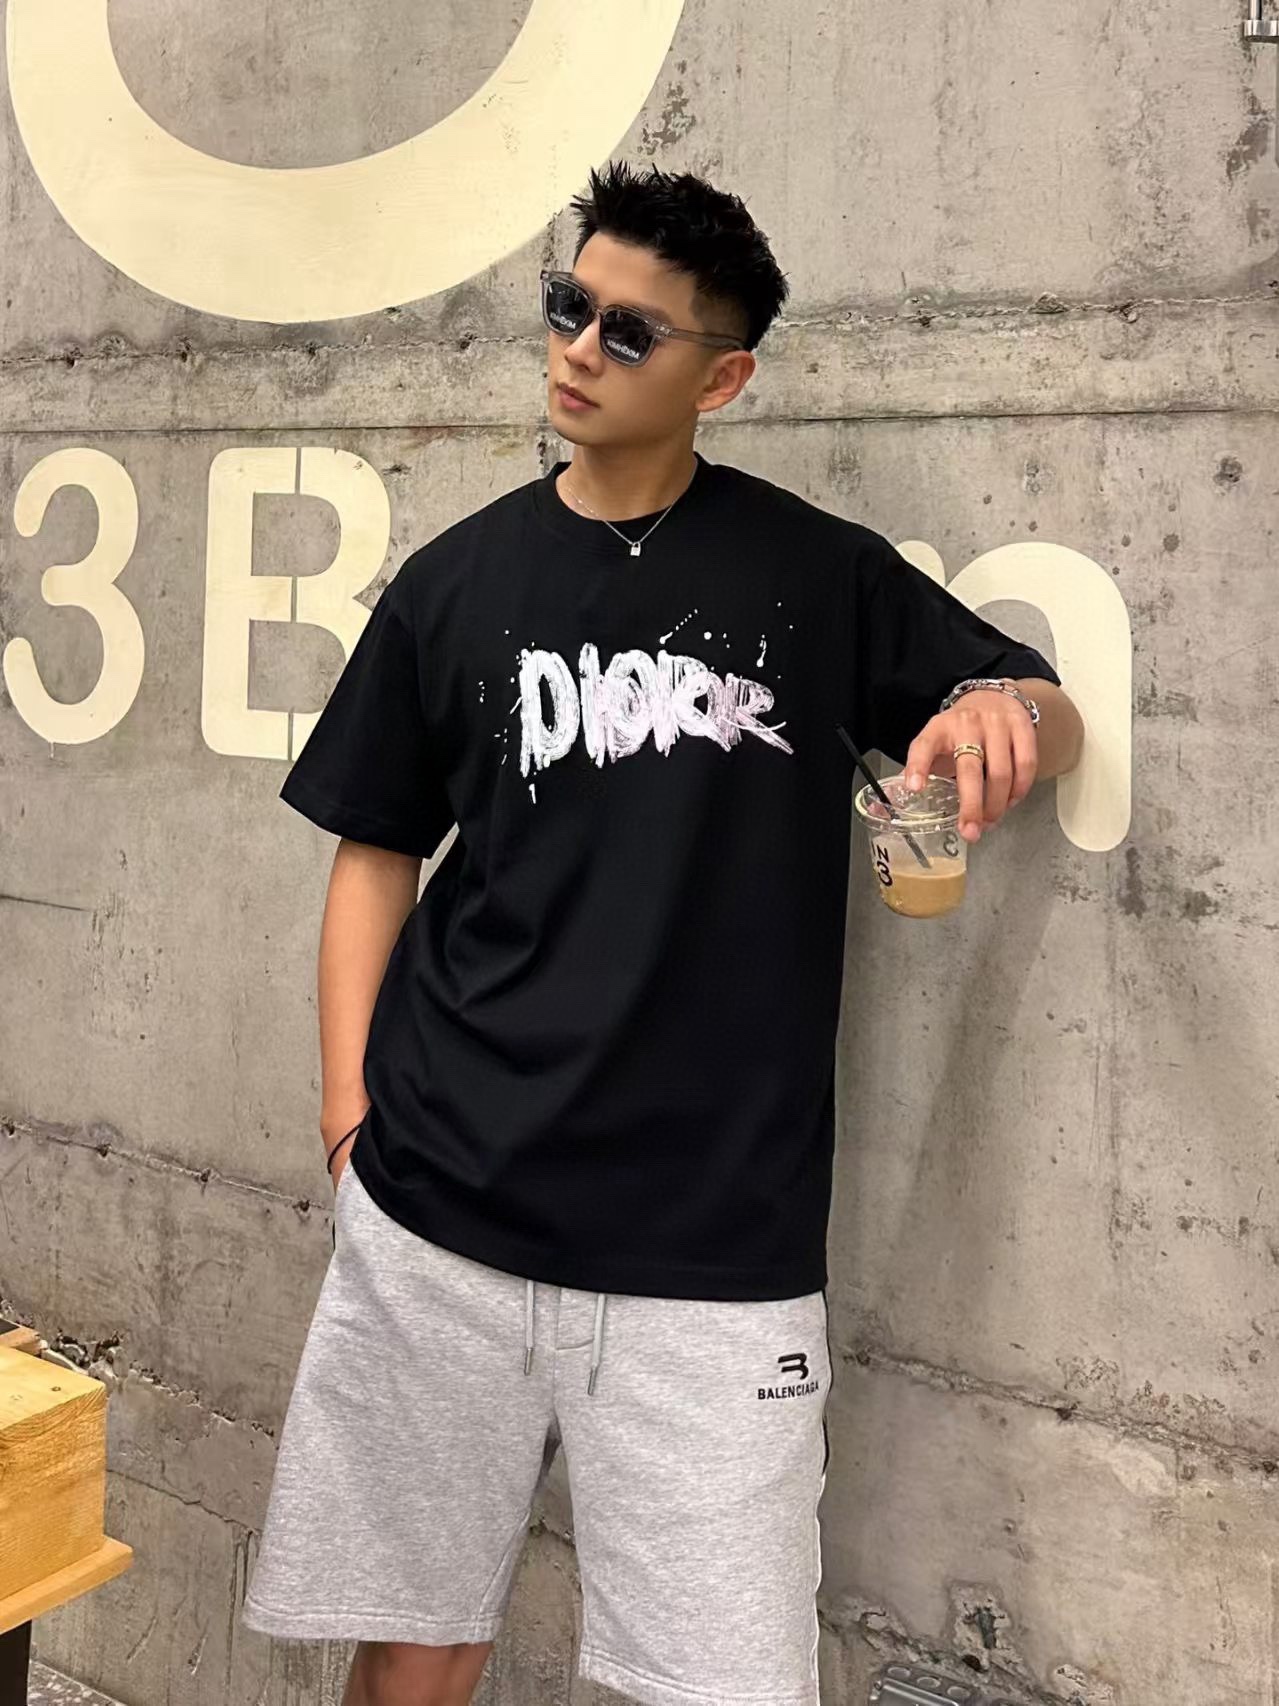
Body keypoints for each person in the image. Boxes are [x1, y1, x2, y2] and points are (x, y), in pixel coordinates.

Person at [241, 160, 1084, 1706]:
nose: (578, 348)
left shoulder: (814, 576)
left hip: (714, 1252)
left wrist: (1003, 712)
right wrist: (349, 1116)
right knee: (415, 1639)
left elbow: (1038, 699)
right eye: (570, 306)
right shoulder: (454, 582)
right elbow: (376, 848)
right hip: (442, 1208)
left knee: (722, 1679)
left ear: (724, 376)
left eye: (630, 331)